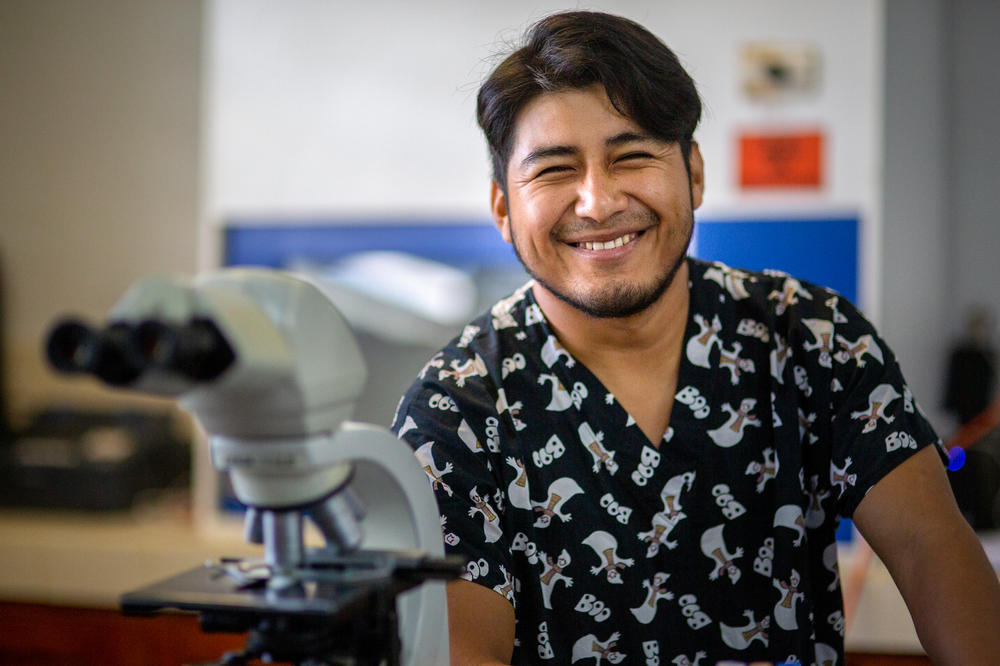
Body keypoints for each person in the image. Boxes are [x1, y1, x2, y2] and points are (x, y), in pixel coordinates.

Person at [391, 10, 1000, 665]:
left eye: (632, 156)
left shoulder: (814, 340)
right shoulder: (456, 412)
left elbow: (929, 543)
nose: (596, 201)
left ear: (695, 173)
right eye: (555, 170)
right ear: (504, 209)